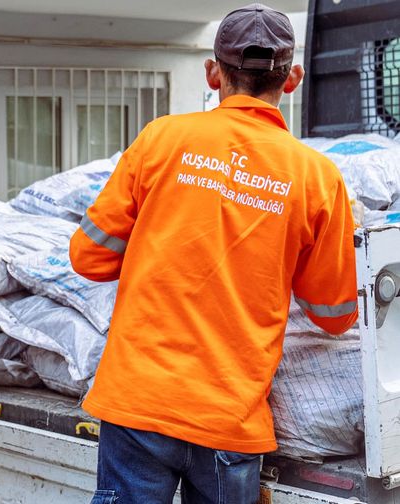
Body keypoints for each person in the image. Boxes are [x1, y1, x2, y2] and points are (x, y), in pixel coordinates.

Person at [69, 4, 359, 503]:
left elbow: (88, 257)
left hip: (140, 404)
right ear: (292, 79)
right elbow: (334, 315)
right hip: (229, 420)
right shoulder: (317, 178)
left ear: (212, 72)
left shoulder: (162, 139)